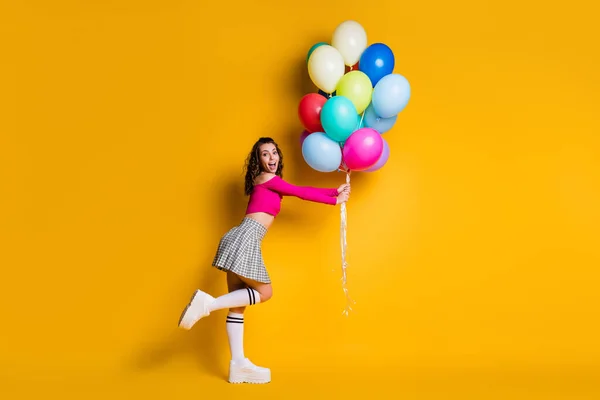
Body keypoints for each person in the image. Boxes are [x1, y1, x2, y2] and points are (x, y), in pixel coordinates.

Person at [177, 136, 350, 384]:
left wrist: (335, 190)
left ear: (279, 156)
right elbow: (300, 192)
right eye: (265, 154)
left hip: (239, 237)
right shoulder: (267, 179)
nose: (271, 158)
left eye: (274, 153)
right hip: (247, 238)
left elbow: (295, 190)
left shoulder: (271, 182)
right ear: (258, 161)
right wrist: (334, 200)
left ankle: (238, 365)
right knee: (265, 292)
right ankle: (207, 304)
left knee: (237, 307)